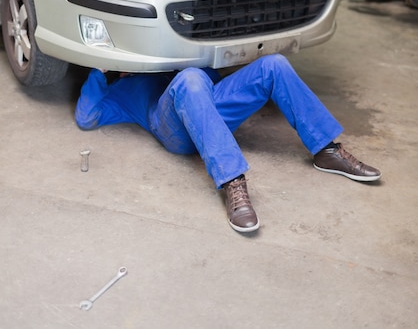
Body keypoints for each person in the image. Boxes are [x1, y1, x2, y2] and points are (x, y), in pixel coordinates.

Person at [75, 54, 381, 233]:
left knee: (273, 65)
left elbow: (211, 74)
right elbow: (86, 117)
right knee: (190, 80)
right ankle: (232, 180)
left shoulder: (167, 57)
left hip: (207, 106)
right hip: (172, 129)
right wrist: (101, 69)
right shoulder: (119, 88)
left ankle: (326, 149)